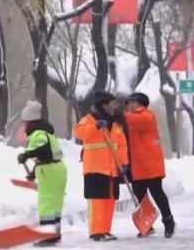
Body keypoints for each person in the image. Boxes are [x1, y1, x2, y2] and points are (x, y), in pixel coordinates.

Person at [74, 91, 128, 241]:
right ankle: (96, 231)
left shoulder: (116, 123)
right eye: (113, 103)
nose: (115, 106)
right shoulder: (90, 119)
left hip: (112, 168)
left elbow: (122, 145)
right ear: (104, 105)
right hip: (95, 167)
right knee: (97, 200)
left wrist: (124, 163)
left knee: (109, 200)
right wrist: (96, 126)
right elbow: (79, 133)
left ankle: (105, 230)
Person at [123, 92, 176, 238]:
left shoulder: (147, 116)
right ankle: (147, 223)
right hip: (135, 164)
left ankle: (168, 220)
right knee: (140, 194)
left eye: (132, 102)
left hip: (150, 163)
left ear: (141, 103)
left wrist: (119, 115)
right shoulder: (130, 119)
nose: (129, 105)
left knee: (156, 192)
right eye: (127, 103)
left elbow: (136, 121)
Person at [17, 100, 68, 247]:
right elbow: (47, 155)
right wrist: (34, 172)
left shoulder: (38, 134)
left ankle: (47, 235)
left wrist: (26, 155)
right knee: (56, 203)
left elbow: (43, 152)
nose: (24, 127)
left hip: (49, 171)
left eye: (25, 123)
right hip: (57, 169)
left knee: (46, 203)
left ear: (30, 122)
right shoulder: (46, 133)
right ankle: (55, 232)